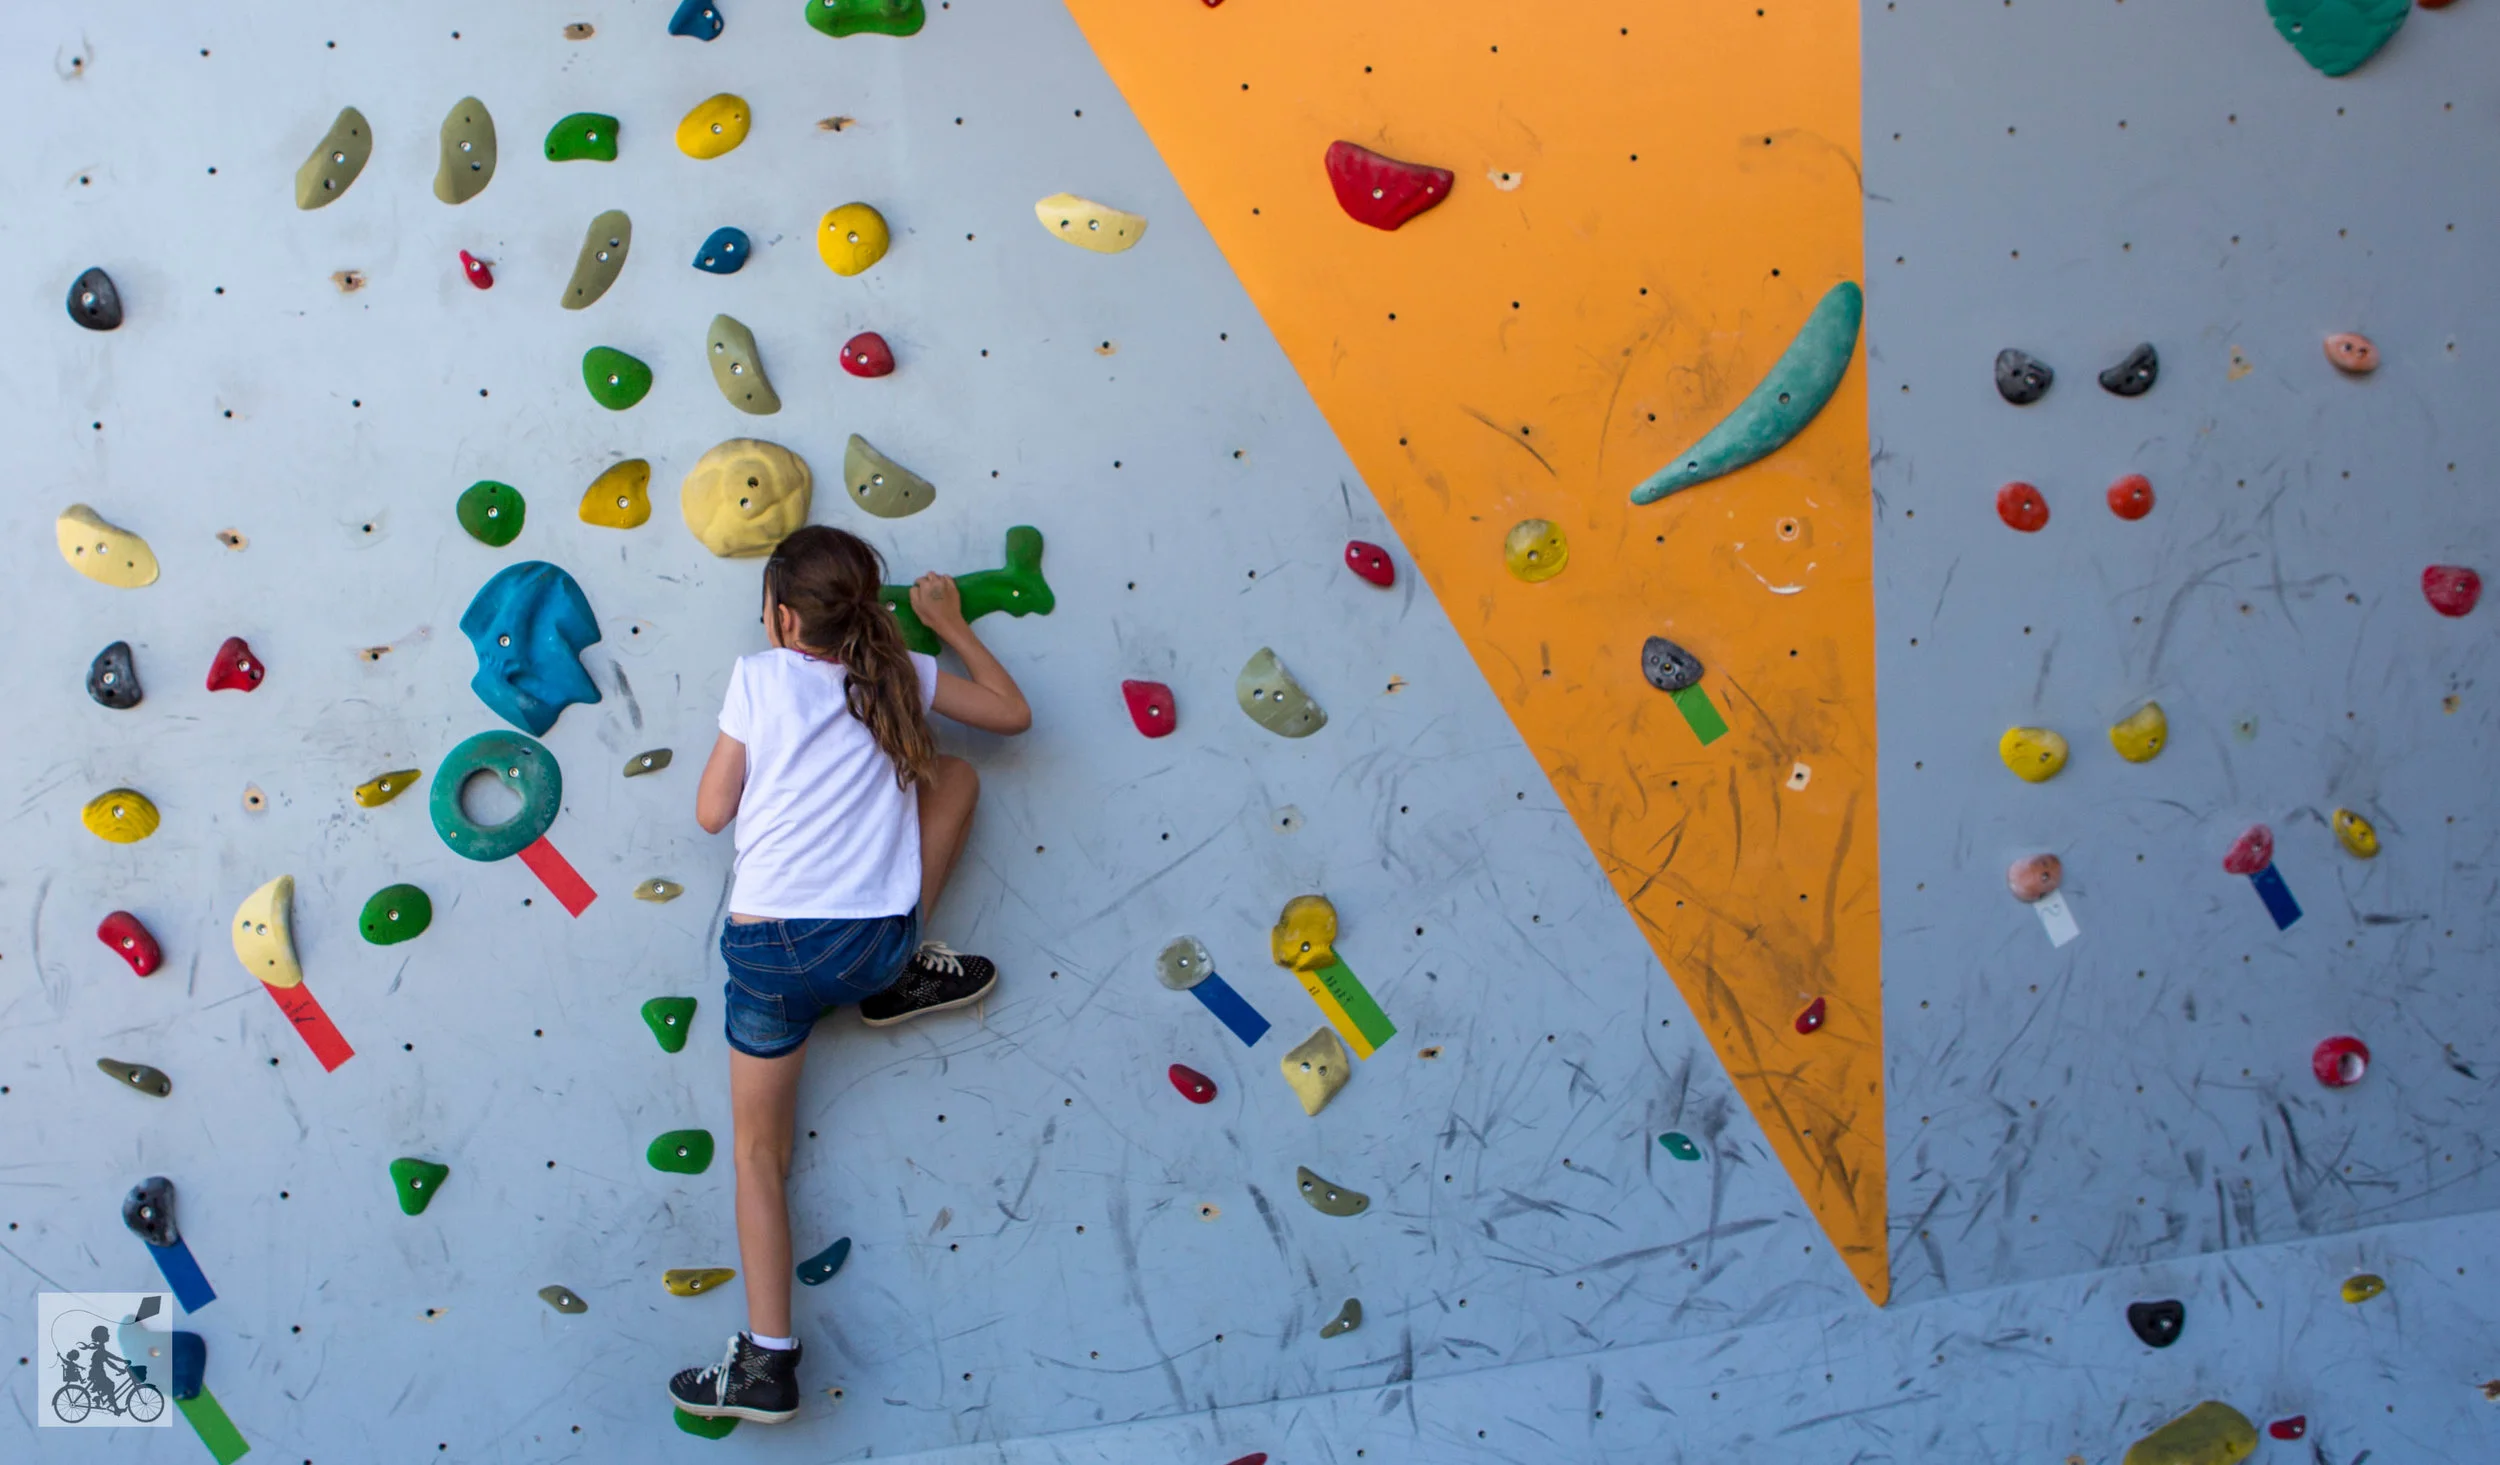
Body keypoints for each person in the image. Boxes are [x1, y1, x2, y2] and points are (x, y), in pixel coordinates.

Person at [668, 526, 1032, 1425]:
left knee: (761, 1154)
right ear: (867, 609)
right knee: (954, 778)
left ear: (782, 616)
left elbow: (712, 813)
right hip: (865, 945)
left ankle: (766, 1363)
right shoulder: (900, 669)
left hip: (768, 954)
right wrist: (948, 625)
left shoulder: (758, 678)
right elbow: (1011, 715)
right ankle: (899, 976)